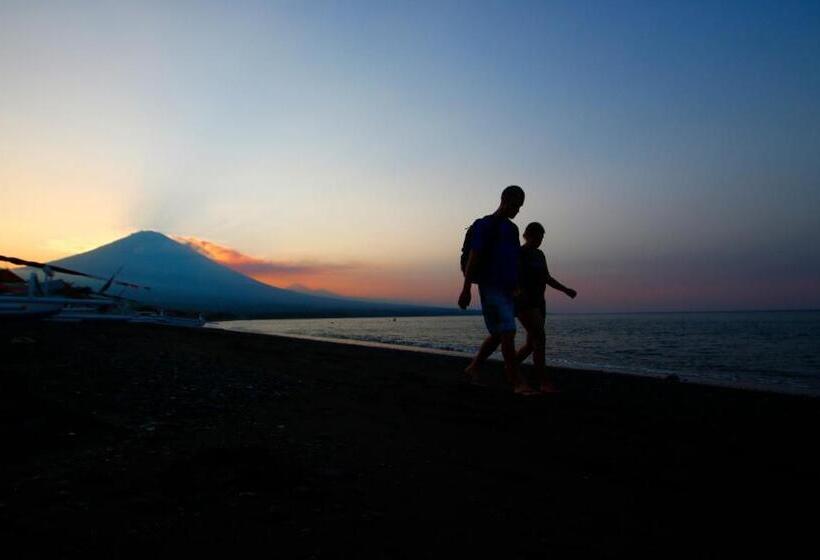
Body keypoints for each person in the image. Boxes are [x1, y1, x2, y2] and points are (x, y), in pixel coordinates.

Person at [458, 185, 534, 394]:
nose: (517, 210)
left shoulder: (513, 229)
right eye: (515, 205)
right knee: (508, 331)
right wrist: (466, 288)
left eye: (520, 207)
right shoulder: (485, 225)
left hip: (508, 288)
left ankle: (473, 367)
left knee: (500, 334)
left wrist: (517, 287)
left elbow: (513, 260)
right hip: (490, 286)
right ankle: (516, 380)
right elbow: (474, 256)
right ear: (504, 200)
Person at [514, 222, 577, 393]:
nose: (540, 240)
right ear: (529, 235)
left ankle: (510, 366)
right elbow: (512, 277)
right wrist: (519, 293)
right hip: (524, 303)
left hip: (540, 302)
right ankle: (543, 381)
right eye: (538, 236)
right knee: (539, 340)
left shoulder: (540, 255)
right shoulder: (520, 253)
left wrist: (565, 290)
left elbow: (547, 277)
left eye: (542, 237)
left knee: (530, 344)